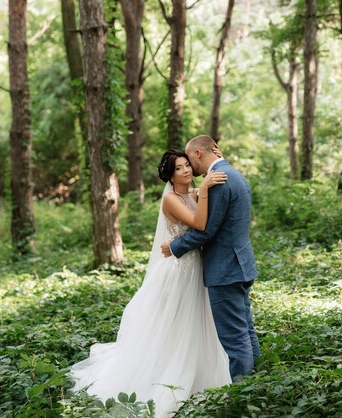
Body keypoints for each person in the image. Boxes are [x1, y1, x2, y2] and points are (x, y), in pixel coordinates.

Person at [69, 149, 231, 418]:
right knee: (175, 323)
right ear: (170, 175)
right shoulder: (170, 199)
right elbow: (200, 224)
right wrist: (204, 190)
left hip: (196, 267)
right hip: (178, 271)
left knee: (197, 321)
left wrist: (204, 190)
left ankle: (201, 373)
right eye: (179, 168)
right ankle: (169, 374)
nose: (186, 171)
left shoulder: (192, 194)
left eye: (187, 165)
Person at [161, 135, 260, 382]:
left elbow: (206, 230)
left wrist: (174, 246)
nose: (188, 169)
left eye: (188, 162)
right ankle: (258, 381)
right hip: (241, 264)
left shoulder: (218, 181)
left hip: (225, 269)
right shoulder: (235, 174)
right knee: (246, 329)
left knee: (235, 338)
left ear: (197, 154)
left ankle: (243, 391)